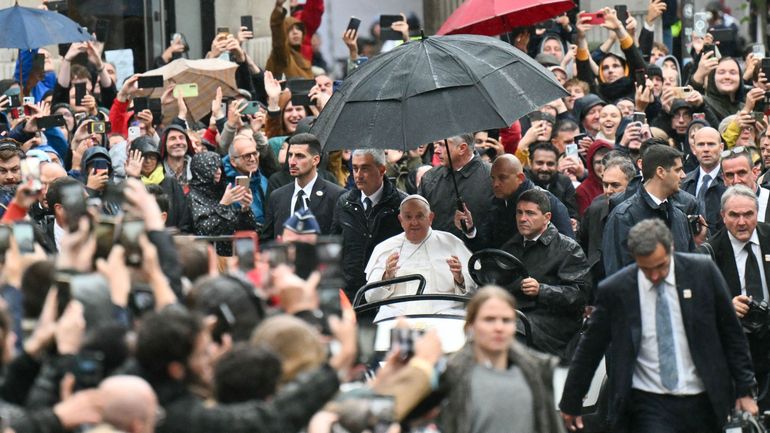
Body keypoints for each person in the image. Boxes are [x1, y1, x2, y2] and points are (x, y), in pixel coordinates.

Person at [560, 219, 757, 433]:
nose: (654, 275)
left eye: (660, 266)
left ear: (671, 249)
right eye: (646, 269)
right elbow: (591, 348)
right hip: (649, 401)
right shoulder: (617, 290)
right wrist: (571, 400)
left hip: (704, 396)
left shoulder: (702, 273)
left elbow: (731, 334)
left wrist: (745, 390)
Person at [135, 306, 351, 433]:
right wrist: (338, 363)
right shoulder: (178, 417)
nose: (212, 357)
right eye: (202, 354)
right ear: (176, 369)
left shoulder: (141, 373)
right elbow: (268, 419)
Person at [427, 286, 565, 433]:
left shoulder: (537, 371)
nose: (499, 327)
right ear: (470, 326)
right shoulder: (450, 374)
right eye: (489, 319)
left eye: (506, 320)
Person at [697, 185, 770, 412]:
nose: (742, 222)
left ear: (757, 213)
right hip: (735, 350)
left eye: (748, 214)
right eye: (734, 215)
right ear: (722, 216)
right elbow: (697, 308)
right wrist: (726, 307)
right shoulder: (709, 252)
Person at [499, 189, 589, 358]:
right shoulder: (512, 246)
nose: (522, 218)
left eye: (530, 213)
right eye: (519, 212)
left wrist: (541, 290)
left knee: (511, 329)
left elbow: (579, 295)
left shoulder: (568, 249)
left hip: (556, 321)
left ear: (547, 217)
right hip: (518, 313)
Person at [364, 195, 476, 318]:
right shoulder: (385, 248)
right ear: (401, 220)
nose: (414, 222)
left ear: (430, 218)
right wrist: (386, 277)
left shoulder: (451, 243)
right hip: (398, 318)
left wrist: (460, 279)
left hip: (444, 315)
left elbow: (475, 291)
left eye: (419, 216)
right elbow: (370, 297)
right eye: (408, 217)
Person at [603, 145, 697, 276]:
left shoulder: (680, 217)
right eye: (678, 170)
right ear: (660, 172)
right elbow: (617, 276)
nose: (683, 175)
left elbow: (690, 268)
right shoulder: (623, 216)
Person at [456, 154, 573, 251]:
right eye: (493, 178)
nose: (496, 184)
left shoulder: (547, 202)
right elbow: (486, 245)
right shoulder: (497, 202)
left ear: (520, 178)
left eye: (502, 178)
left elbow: (569, 250)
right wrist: (470, 230)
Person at [331, 149, 406, 299]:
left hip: (387, 292)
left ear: (382, 170)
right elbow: (335, 245)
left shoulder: (401, 204)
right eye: (355, 168)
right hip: (350, 292)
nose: (358, 174)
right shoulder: (344, 203)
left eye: (365, 168)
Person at [261, 133, 344, 240]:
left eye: (300, 156)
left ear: (316, 160)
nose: (292, 162)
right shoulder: (277, 196)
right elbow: (266, 239)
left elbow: (339, 241)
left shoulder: (335, 195)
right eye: (290, 155)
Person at [418, 134, 494, 240]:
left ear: (462, 148)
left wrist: (471, 232)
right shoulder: (429, 178)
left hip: (477, 253)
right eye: (436, 145)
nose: (436, 150)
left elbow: (501, 228)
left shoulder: (492, 177)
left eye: (442, 145)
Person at [580, 156, 636, 291]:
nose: (608, 190)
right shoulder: (595, 209)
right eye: (605, 184)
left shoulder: (641, 212)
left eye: (615, 185)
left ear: (632, 184)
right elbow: (583, 246)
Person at [187, 151, 257, 256]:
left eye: (220, 167)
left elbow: (244, 229)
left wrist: (245, 209)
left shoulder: (221, 191)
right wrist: (223, 205)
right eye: (213, 168)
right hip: (205, 258)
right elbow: (205, 231)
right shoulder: (191, 196)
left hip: (229, 256)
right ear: (201, 170)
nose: (219, 171)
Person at [127, 137, 190, 233]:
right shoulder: (130, 183)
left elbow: (184, 217)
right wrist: (133, 177)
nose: (148, 161)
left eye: (152, 156)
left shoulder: (171, 182)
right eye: (143, 157)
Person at [680, 127, 726, 234]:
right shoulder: (683, 181)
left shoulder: (731, 180)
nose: (706, 149)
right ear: (693, 149)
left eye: (711, 144)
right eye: (701, 144)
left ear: (721, 147)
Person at [527, 142, 579, 220]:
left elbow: (572, 213)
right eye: (540, 163)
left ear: (557, 165)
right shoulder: (523, 183)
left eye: (550, 164)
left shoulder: (564, 182)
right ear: (530, 164)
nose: (545, 168)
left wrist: (574, 222)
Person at [225, 134, 268, 226]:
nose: (253, 159)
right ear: (233, 161)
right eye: (247, 156)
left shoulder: (262, 179)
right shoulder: (226, 186)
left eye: (255, 153)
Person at [265, 0, 314, 79]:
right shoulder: (282, 56)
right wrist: (278, 7)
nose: (295, 32)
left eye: (298, 29)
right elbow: (278, 38)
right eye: (290, 29)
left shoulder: (304, 60)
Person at [720, 146, 770, 222]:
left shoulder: (767, 198)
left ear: (755, 173)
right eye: (730, 175)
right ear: (724, 179)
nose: (736, 181)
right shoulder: (718, 205)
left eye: (741, 173)